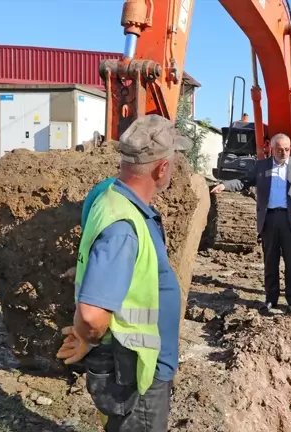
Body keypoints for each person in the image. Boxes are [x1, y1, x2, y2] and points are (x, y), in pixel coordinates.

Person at [56, 114, 192, 431]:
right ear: (162, 168)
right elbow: (92, 316)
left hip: (130, 365)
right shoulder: (124, 228)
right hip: (134, 375)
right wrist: (88, 337)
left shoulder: (107, 195)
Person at [211, 133, 291, 315]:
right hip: (270, 219)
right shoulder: (261, 166)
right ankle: (271, 299)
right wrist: (225, 185)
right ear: (272, 149)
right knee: (270, 262)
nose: (284, 153)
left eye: (287, 149)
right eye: (280, 149)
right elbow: (243, 182)